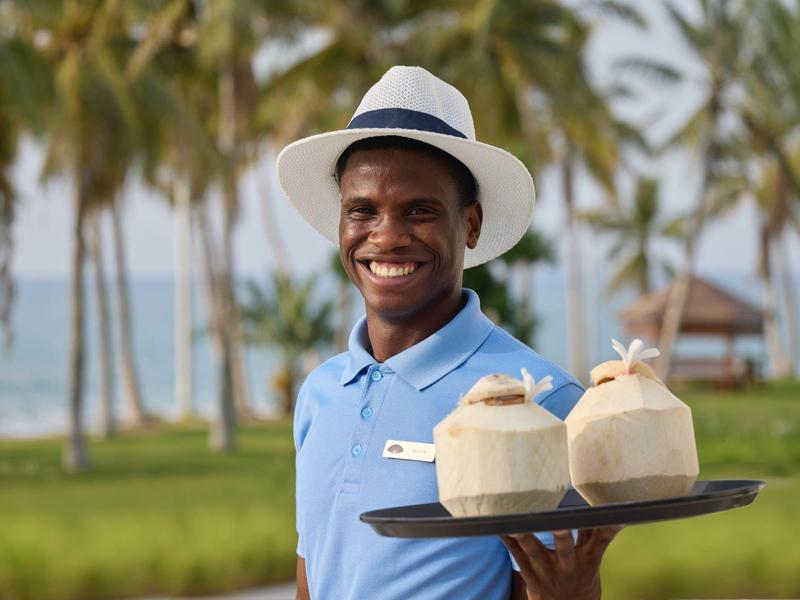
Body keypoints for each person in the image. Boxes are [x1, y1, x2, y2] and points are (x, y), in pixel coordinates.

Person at [276, 66, 622, 600]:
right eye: (362, 210)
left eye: (419, 211)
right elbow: (313, 576)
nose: (386, 237)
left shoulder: (544, 404)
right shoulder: (321, 393)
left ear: (472, 223)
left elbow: (558, 587)